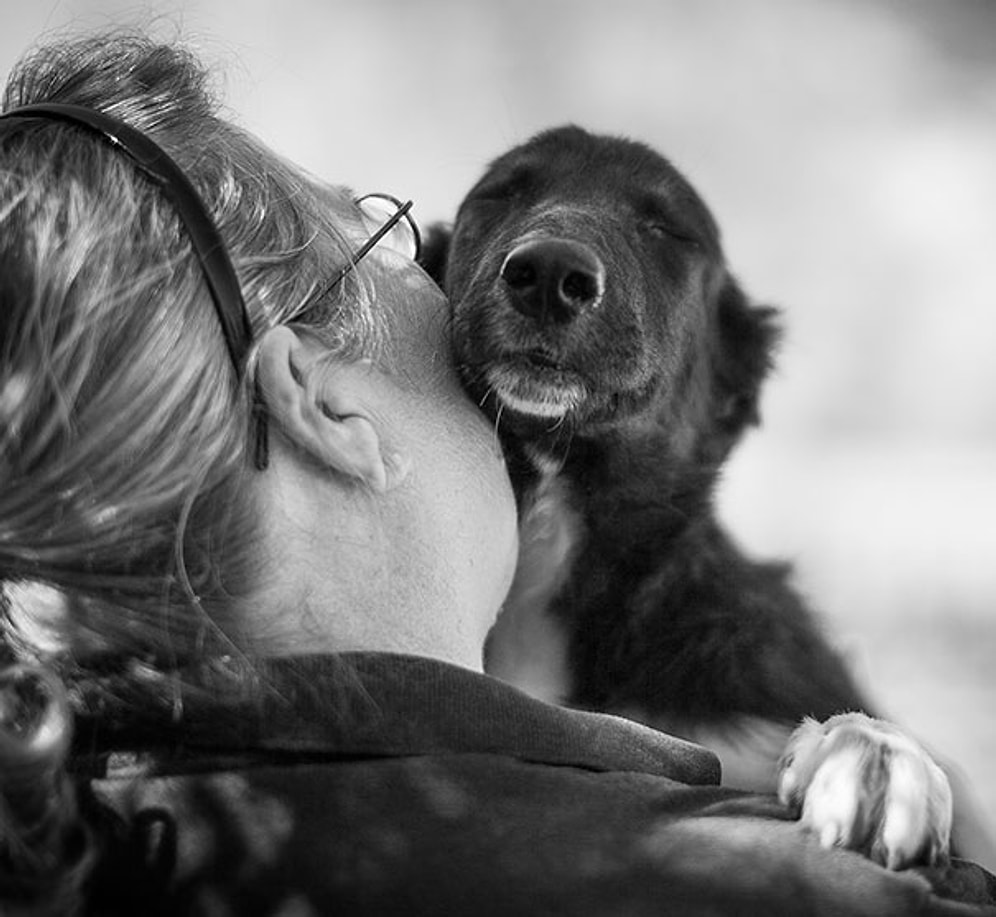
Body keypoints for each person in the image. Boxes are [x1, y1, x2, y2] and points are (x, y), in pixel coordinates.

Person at [0, 30, 993, 917]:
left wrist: (882, 752)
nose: (549, 254)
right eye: (391, 240)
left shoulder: (88, 814)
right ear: (321, 398)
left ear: (733, 384)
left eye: (664, 231)